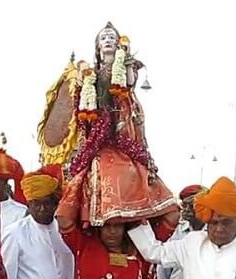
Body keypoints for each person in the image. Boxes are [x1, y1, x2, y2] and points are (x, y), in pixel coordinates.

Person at [42, 23, 176, 228]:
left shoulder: (125, 64)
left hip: (122, 121)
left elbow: (129, 84)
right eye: (103, 37)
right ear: (97, 46)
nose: (108, 40)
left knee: (131, 168)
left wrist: (125, 59)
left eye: (112, 37)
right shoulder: (91, 73)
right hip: (97, 128)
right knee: (88, 172)